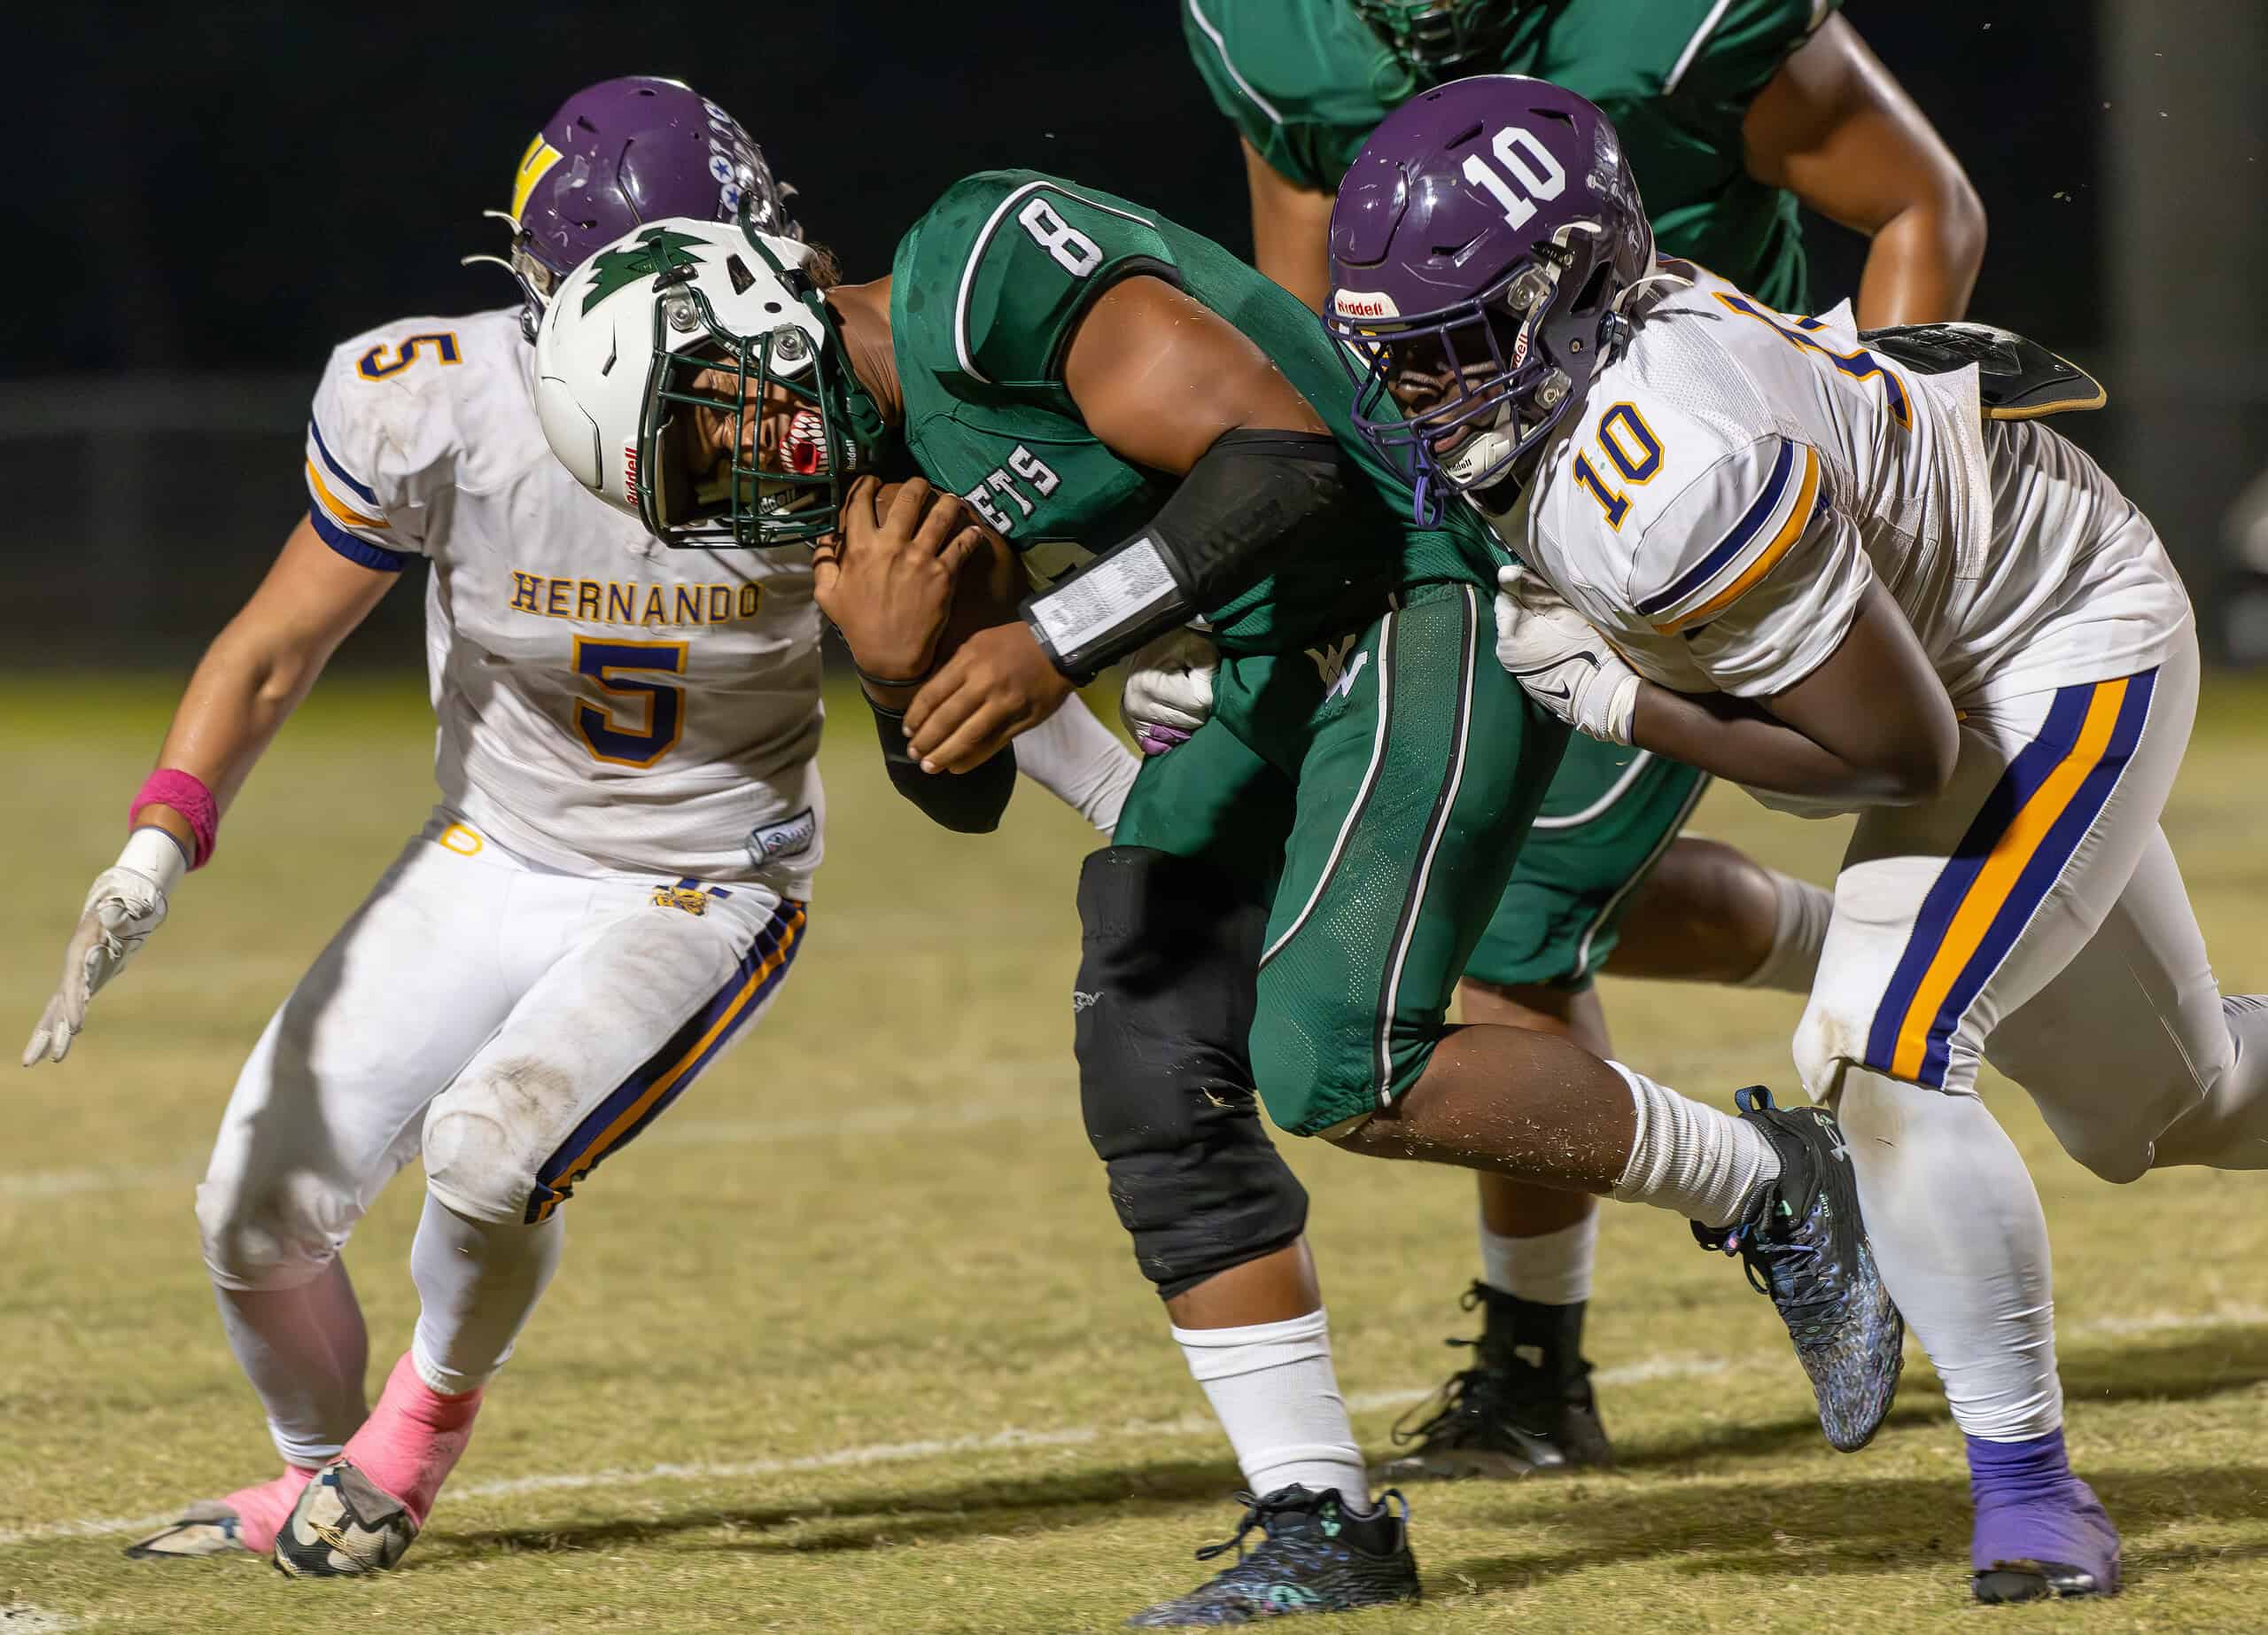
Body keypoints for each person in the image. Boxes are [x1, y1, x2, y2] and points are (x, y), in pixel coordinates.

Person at [532, 172, 1900, 1622]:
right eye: (696, 483)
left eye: (715, 432)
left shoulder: (978, 267)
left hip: (1427, 582)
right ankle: (1320, 1515)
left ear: (752, 320)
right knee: (1142, 1038)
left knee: (1331, 1056)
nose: (742, 479)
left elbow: (1290, 456)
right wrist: (888, 671)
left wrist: (1051, 634)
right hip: (1281, 662)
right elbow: (965, 781)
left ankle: (1773, 1182)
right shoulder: (870, 484)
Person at [19, 76, 1132, 1580]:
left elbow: (982, 662)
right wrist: (158, 839)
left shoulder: (840, 407)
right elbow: (276, 644)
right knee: (252, 1213)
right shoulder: (439, 398)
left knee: (488, 1150)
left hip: (701, 877)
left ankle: (407, 1451)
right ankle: (322, 1479)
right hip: (492, 847)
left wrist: (1140, 803)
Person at [1324, 72, 2268, 1604]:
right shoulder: (1576, 371)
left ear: (1566, 298)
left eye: (1449, 349)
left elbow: (1892, 754)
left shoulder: (1663, 464)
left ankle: (2026, 1487)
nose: (1422, 394)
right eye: (1398, 357)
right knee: (2165, 1107)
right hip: (1946, 648)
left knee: (1885, 1055)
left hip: (2052, 643)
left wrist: (1625, 703)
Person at [1182, 0, 1984, 1476]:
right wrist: (1270, 588)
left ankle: (1535, 1367)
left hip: (1678, 519)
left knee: (1517, 925)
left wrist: (1885, 481)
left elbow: (1922, 204)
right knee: (1524, 902)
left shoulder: (1668, 25)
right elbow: (1310, 348)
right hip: (1461, 515)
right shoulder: (1269, 30)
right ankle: (1906, 943)